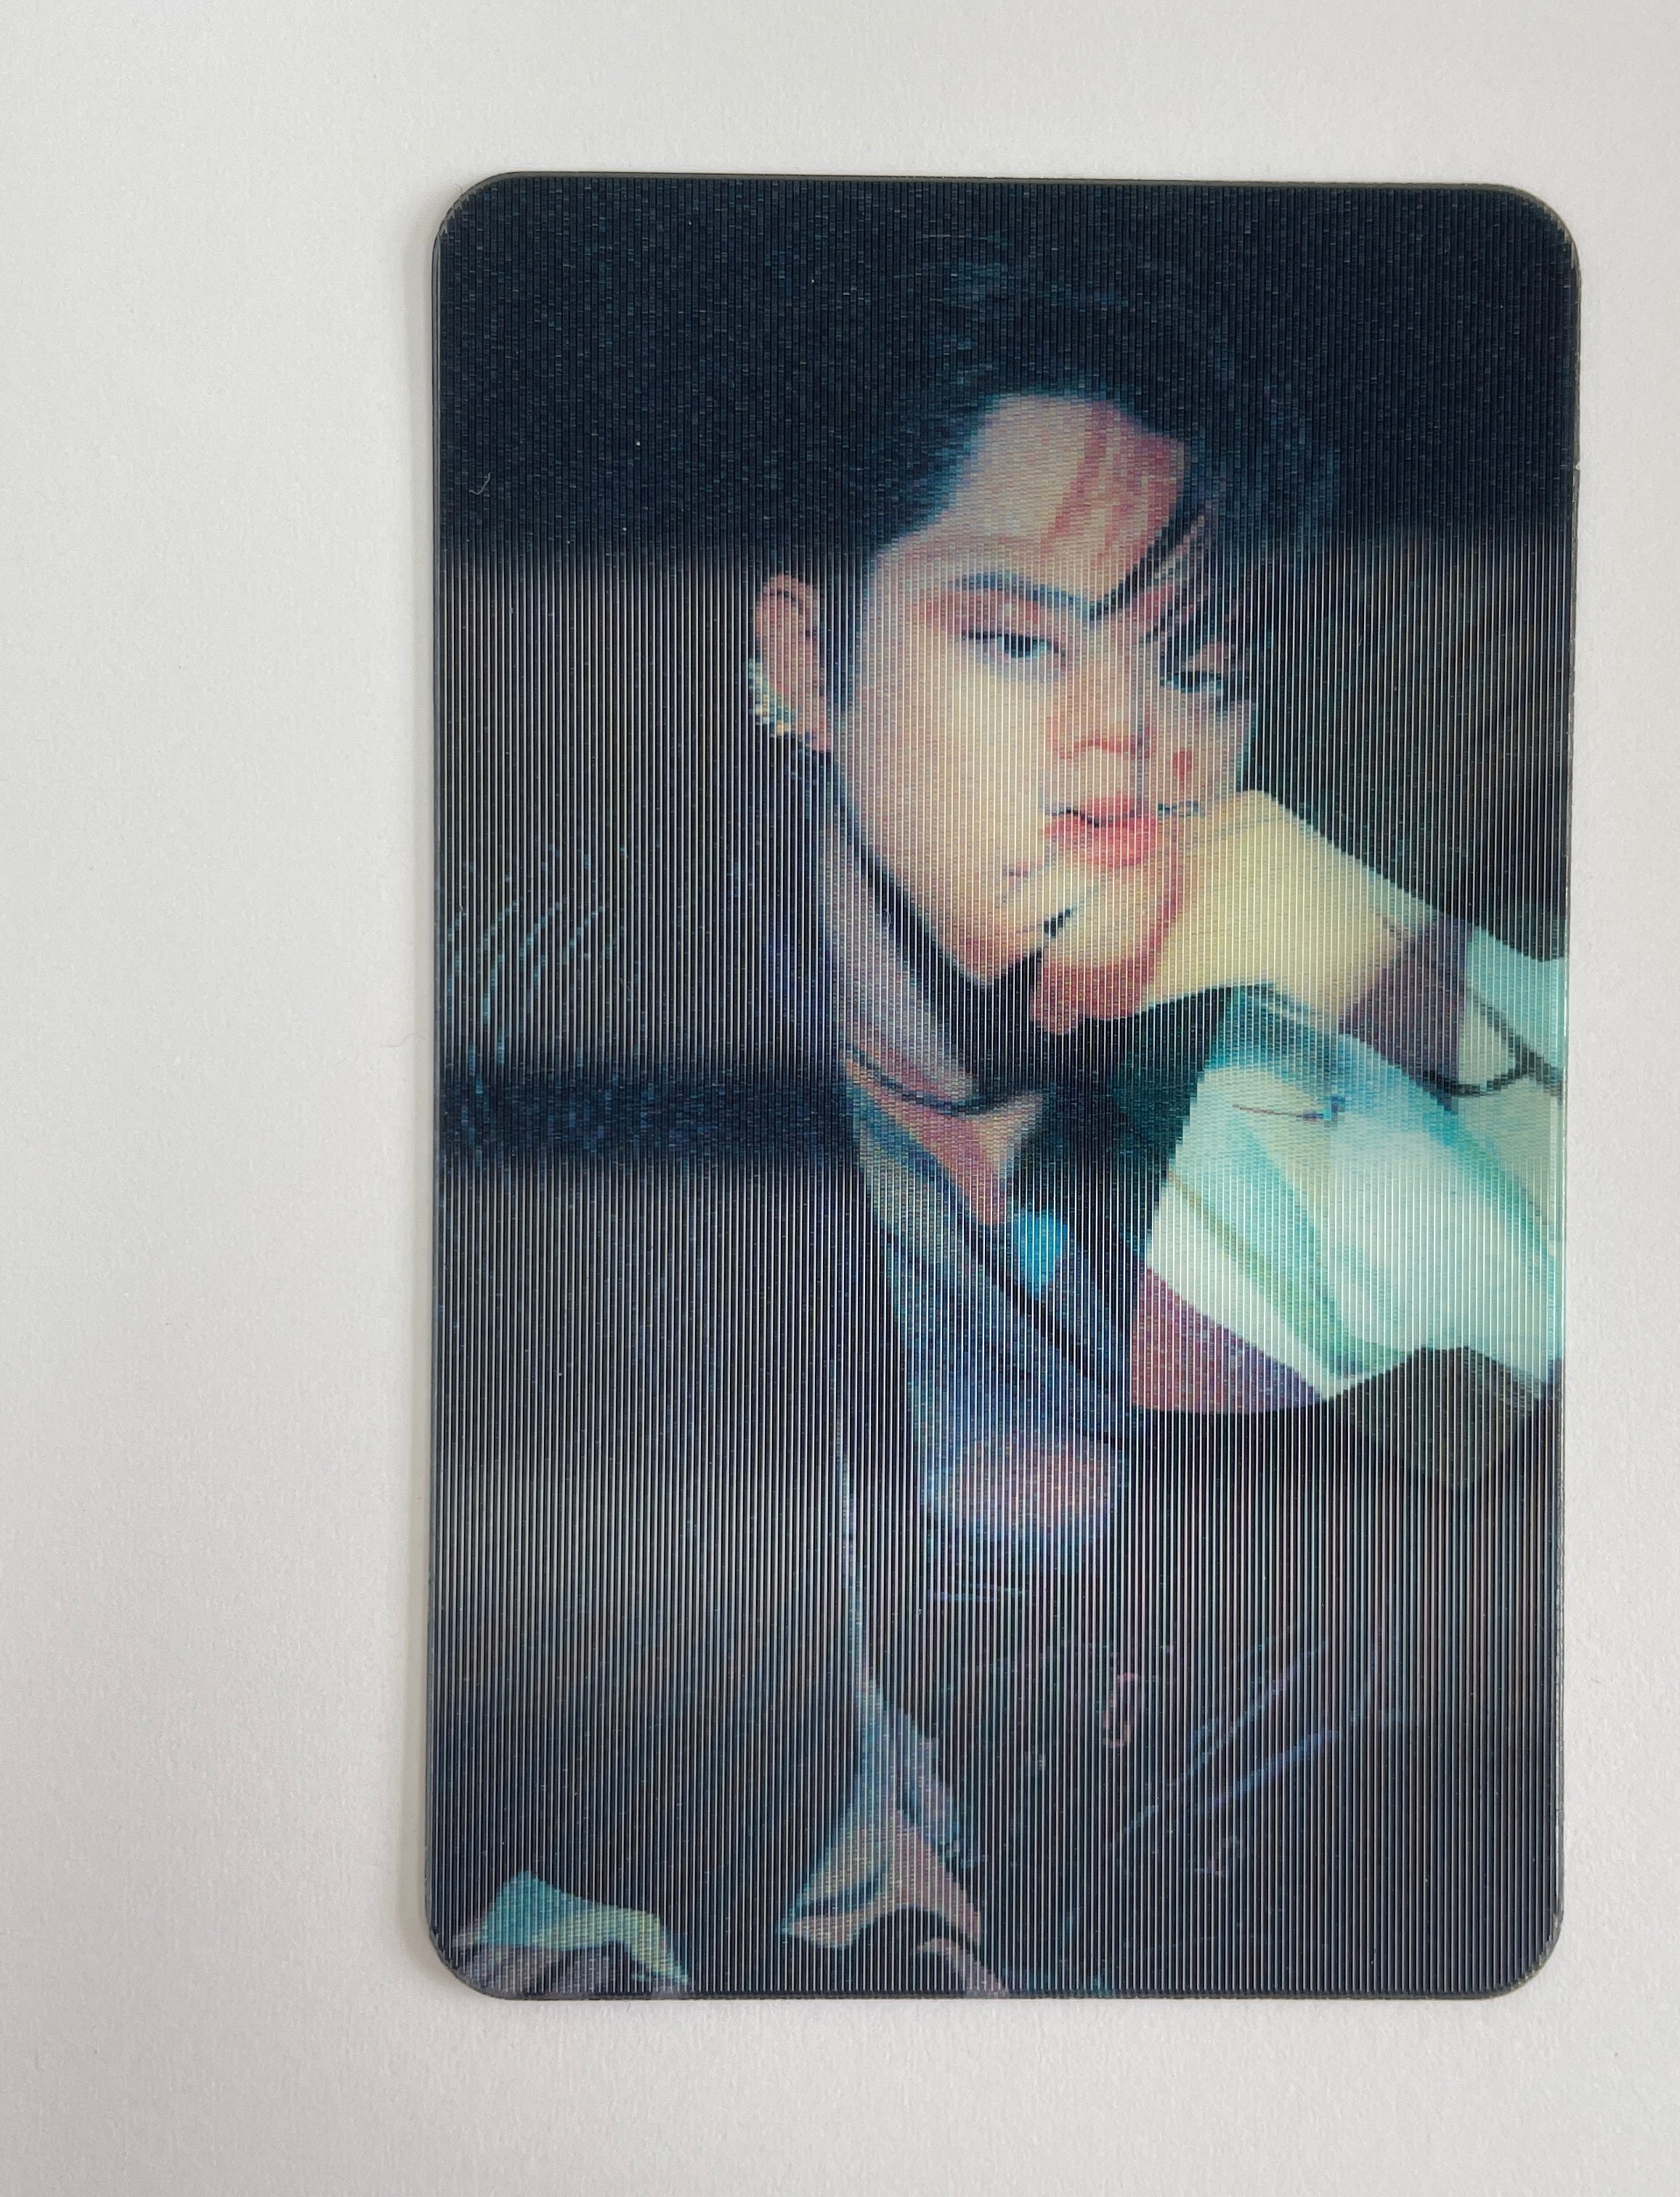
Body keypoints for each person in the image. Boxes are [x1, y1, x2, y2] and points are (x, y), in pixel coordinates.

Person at [437, 259, 1565, 1998]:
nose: (1124, 754)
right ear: (807, 664)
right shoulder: (577, 1080)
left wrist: (1365, 953)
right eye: (1021, 641)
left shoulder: (1261, 1121)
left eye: (1202, 672)